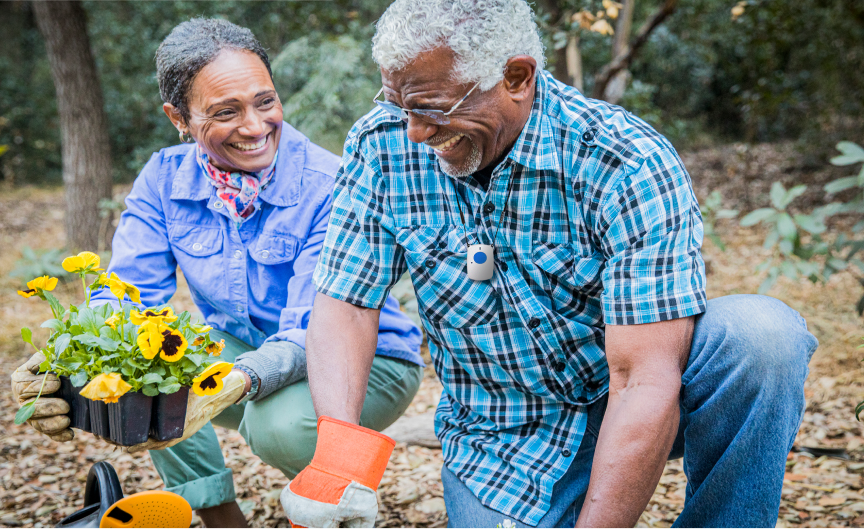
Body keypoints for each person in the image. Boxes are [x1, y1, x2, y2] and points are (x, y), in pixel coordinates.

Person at [281, 1, 819, 528]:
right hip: (499, 433)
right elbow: (346, 301)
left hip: (631, 396)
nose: (415, 132)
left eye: (434, 108)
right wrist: (339, 459)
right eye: (401, 106)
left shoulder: (624, 161)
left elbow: (641, 379)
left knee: (762, 338)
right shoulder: (381, 146)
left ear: (516, 77)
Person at [10, 18, 424, 529]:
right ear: (178, 118)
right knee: (146, 372)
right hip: (248, 349)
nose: (254, 126)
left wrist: (240, 379)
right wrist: (68, 363)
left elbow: (312, 329)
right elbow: (124, 301)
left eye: (265, 102)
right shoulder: (164, 180)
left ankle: (335, 503)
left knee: (277, 426)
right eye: (226, 112)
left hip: (367, 360)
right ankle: (221, 518)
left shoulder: (328, 183)